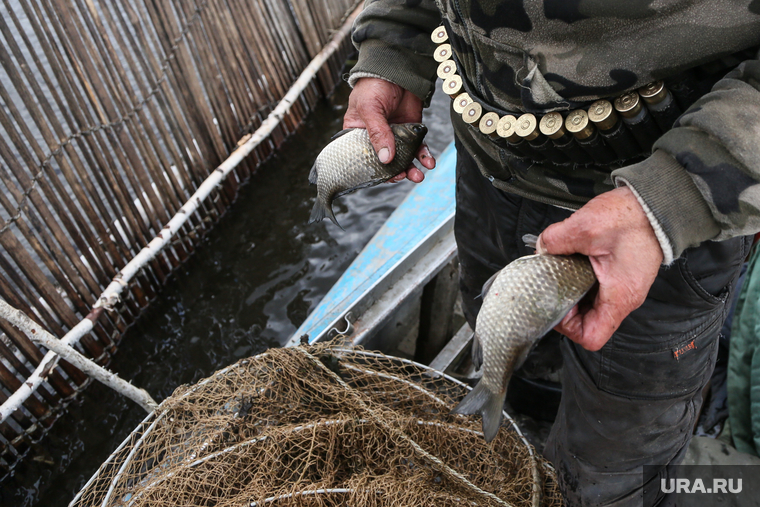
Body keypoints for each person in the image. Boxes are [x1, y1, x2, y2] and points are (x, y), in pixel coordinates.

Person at [342, 1, 760, 505]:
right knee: (508, 362)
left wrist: (675, 198)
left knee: (619, 481)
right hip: (487, 171)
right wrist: (390, 49)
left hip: (663, 230)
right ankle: (523, 418)